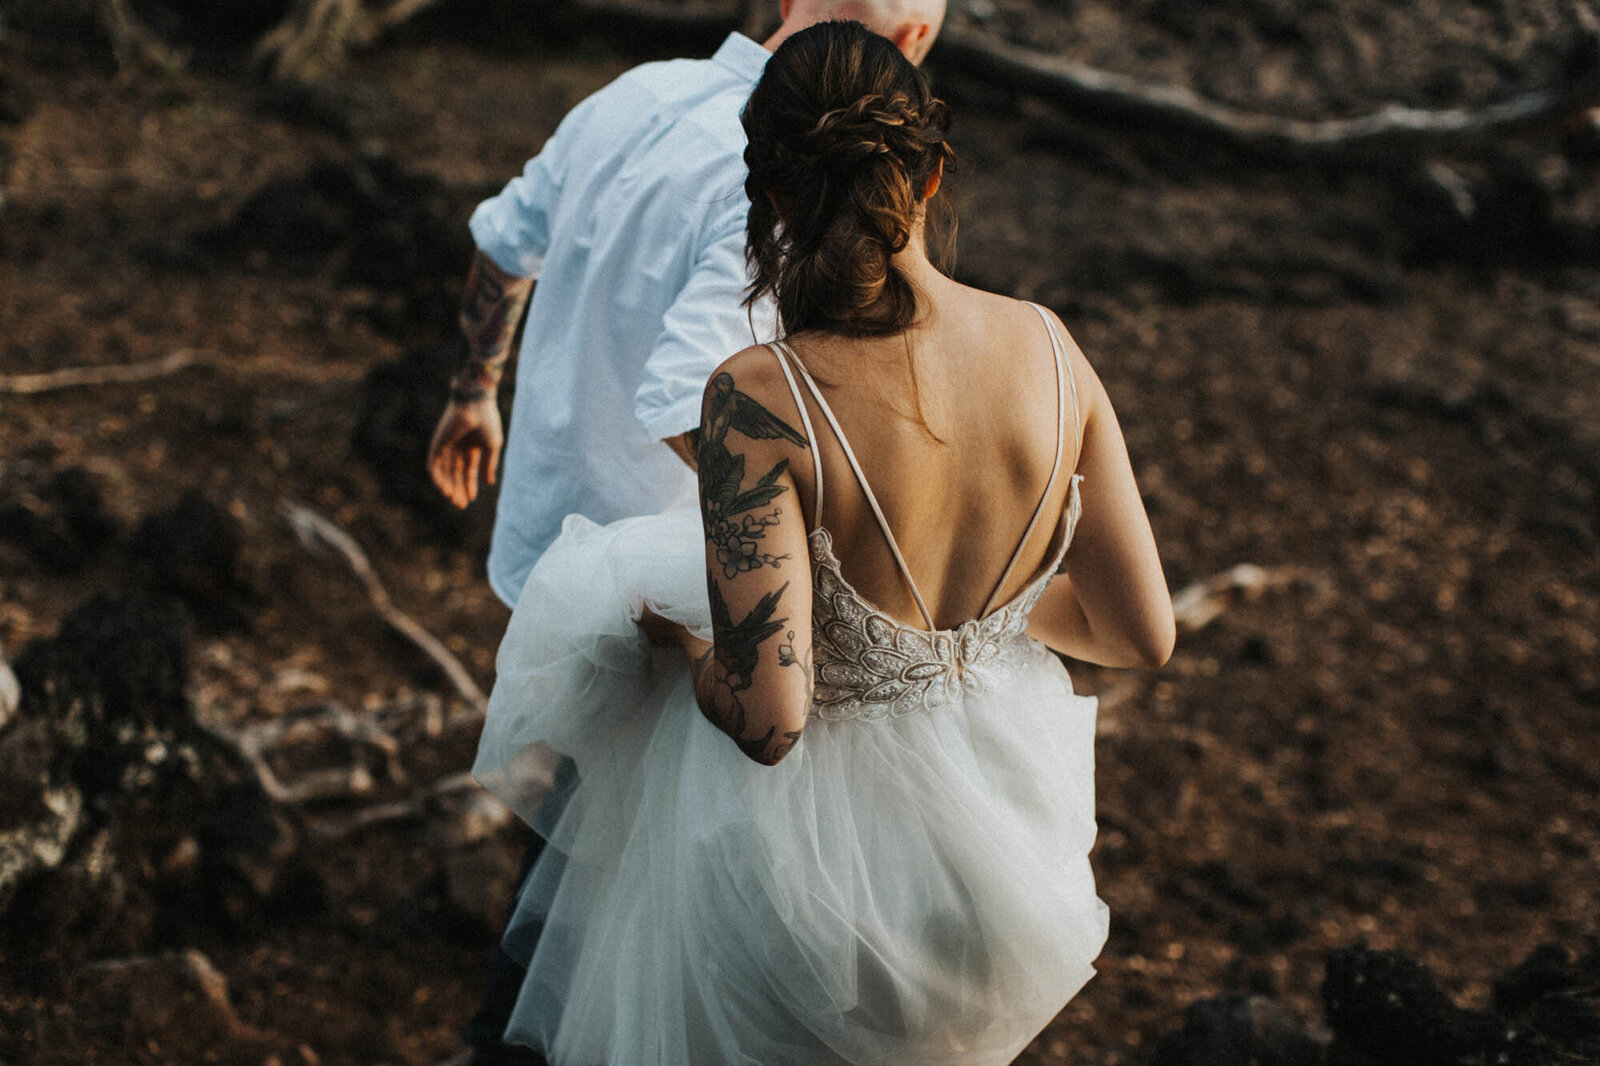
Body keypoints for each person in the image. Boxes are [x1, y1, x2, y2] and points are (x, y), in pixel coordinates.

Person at [473, 19, 1174, 1064]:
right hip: (994, 855)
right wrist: (986, 616)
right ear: (929, 177)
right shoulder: (1049, 346)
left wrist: (683, 646)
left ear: (773, 197)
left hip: (805, 895)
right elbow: (1140, 631)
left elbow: (770, 718)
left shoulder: (759, 400)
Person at [429, 5, 945, 1062]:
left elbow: (499, 244)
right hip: (669, 589)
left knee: (593, 858)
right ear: (904, 44)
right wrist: (804, 534)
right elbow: (685, 389)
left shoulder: (635, 93)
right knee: (630, 886)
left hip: (554, 555)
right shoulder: (790, 175)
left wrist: (474, 386)